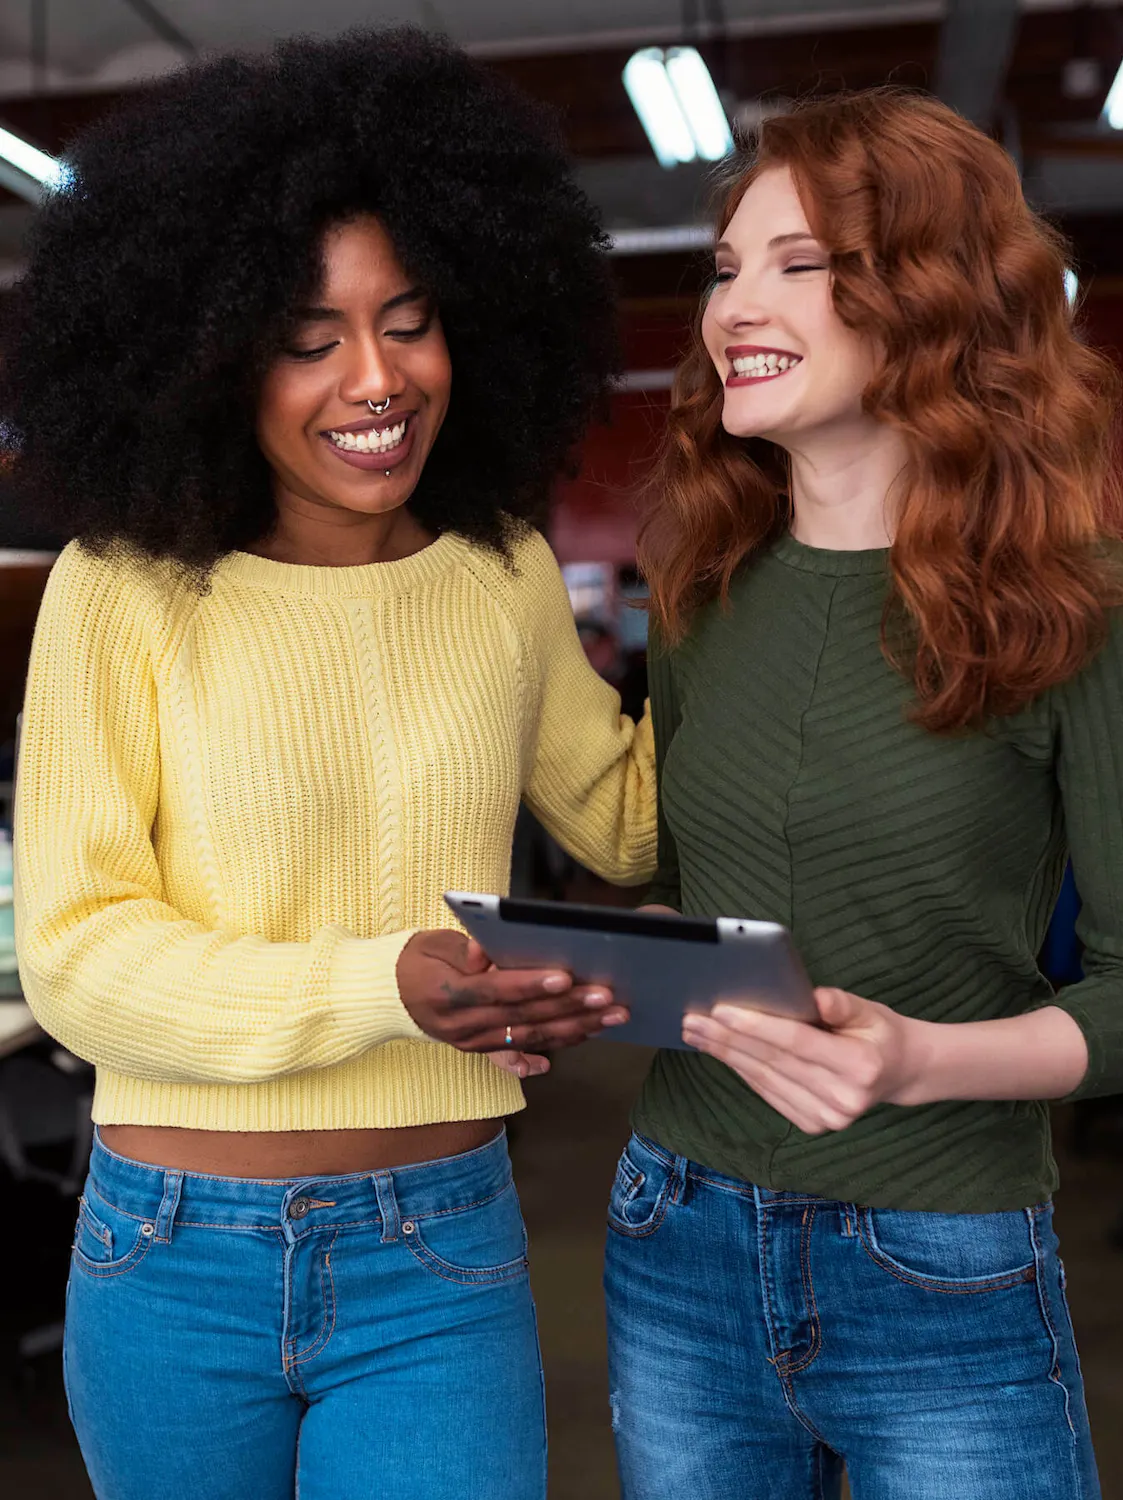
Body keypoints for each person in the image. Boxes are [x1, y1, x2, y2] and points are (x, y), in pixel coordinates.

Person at [6, 30, 655, 1500]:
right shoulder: (123, 590)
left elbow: (627, 824)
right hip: (173, 1258)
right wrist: (392, 981)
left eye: (410, 321)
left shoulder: (499, 574)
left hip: (439, 1249)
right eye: (308, 340)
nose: (376, 377)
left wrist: (773, 602)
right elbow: (78, 961)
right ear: (211, 355)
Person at [609, 88, 1123, 1500]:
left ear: (929, 297)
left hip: (939, 1253)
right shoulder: (702, 590)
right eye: (726, 266)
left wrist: (917, 1060)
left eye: (798, 265)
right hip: (675, 1227)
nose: (734, 305)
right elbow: (711, 910)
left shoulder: (1088, 606)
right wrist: (603, 968)